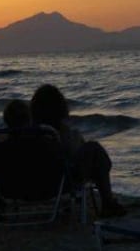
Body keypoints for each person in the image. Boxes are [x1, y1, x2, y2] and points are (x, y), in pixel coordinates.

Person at [29, 84, 126, 218]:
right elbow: (72, 157)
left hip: (26, 186)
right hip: (58, 185)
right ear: (60, 108)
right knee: (94, 148)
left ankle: (108, 203)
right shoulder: (60, 135)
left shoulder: (23, 136)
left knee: (92, 151)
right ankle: (107, 203)